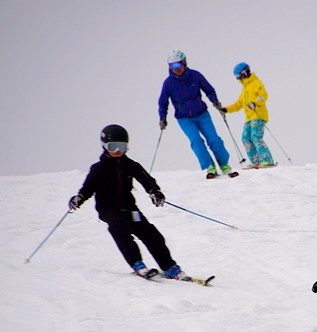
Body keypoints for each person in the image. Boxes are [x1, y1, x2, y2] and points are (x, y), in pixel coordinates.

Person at [68, 124, 189, 280]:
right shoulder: (98, 169)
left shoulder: (130, 165)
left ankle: (170, 267)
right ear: (105, 146)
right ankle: (137, 264)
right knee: (119, 228)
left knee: (151, 234)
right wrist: (79, 198)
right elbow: (88, 188)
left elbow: (146, 179)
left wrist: (154, 192)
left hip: (130, 208)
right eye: (113, 146)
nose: (118, 150)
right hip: (109, 210)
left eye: (122, 146)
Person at [158, 50, 237, 180]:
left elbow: (209, 89)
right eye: (172, 66)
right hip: (184, 118)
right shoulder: (168, 83)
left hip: (202, 114)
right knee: (196, 141)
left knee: (214, 139)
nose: (175, 69)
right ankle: (209, 166)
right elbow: (163, 102)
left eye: (177, 65)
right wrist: (162, 117)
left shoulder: (195, 75)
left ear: (184, 63)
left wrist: (214, 100)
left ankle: (224, 165)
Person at [221, 62, 275, 168]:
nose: (237, 79)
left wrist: (255, 103)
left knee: (255, 136)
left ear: (244, 73)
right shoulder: (245, 88)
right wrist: (227, 109)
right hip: (249, 118)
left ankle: (267, 160)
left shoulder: (256, 83)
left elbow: (263, 96)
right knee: (245, 138)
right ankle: (256, 161)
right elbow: (239, 104)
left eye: (238, 76)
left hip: (258, 115)